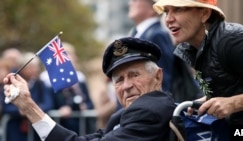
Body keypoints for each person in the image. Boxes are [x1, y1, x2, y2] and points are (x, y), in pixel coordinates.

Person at [3, 37, 176, 141]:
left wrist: (29, 107)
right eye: (119, 80)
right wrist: (27, 105)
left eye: (134, 75)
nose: (126, 86)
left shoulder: (149, 111)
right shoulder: (124, 114)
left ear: (158, 76)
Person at [153, 0, 243, 126]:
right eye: (166, 11)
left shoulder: (233, 42)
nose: (168, 19)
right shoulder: (196, 48)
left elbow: (233, 99)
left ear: (205, 13)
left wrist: (233, 103)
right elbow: (233, 87)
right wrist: (206, 101)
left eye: (178, 9)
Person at [2, 52, 54, 141]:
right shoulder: (12, 82)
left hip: (35, 130)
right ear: (23, 68)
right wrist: (21, 110)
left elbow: (48, 104)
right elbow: (5, 105)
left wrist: (31, 109)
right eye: (30, 67)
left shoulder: (40, 84)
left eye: (36, 67)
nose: (34, 70)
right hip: (15, 128)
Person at [128, 0, 175, 92]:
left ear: (153, 7)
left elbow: (163, 80)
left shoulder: (157, 35)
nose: (130, 3)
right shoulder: (139, 34)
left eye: (135, 0)